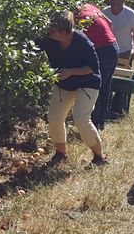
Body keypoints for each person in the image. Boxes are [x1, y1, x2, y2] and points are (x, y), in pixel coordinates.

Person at [36, 11, 108, 166]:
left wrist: (70, 72)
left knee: (81, 118)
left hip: (87, 82)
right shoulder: (49, 40)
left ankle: (99, 157)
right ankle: (61, 154)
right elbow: (30, 46)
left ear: (64, 32)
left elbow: (92, 67)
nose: (49, 32)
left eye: (53, 29)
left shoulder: (82, 41)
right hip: (64, 84)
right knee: (54, 116)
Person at [74, 4, 119, 131]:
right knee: (105, 86)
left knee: (95, 86)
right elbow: (109, 22)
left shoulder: (78, 18)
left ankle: (93, 123)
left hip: (103, 49)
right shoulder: (89, 7)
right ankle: (100, 122)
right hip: (113, 47)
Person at [102, 0, 134, 117]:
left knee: (122, 82)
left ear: (123, 0)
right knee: (107, 79)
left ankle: (119, 109)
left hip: (124, 52)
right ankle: (105, 109)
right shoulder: (104, 13)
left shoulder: (131, 14)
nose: (112, 1)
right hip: (108, 51)